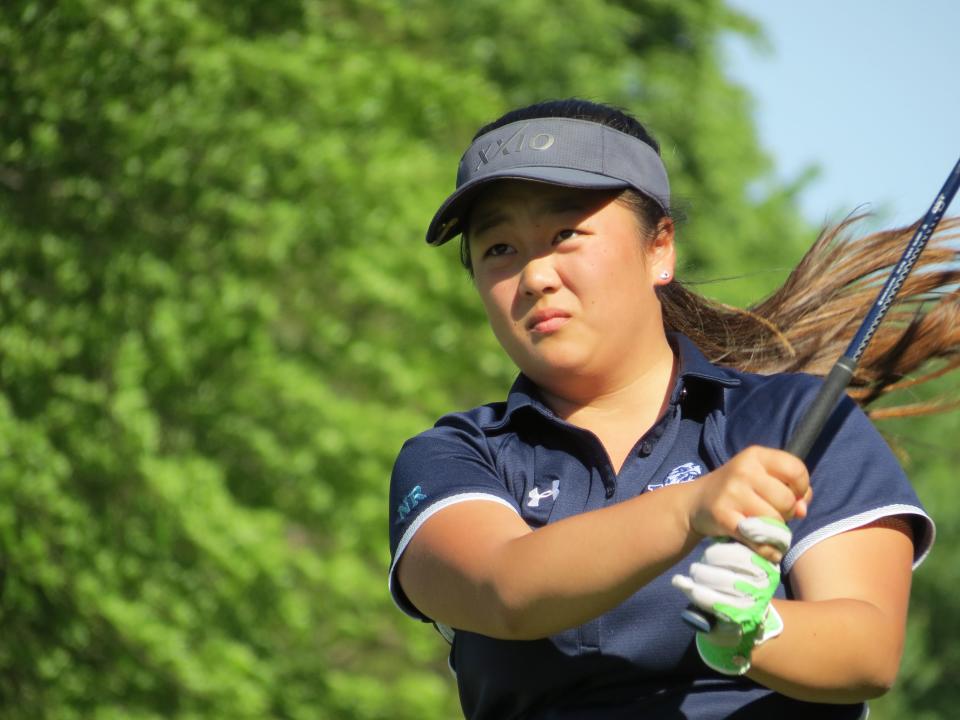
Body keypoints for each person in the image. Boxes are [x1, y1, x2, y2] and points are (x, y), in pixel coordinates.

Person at [387, 98, 945, 719]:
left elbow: (867, 653)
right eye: (498, 249)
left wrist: (756, 632)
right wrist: (692, 508)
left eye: (565, 234)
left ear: (660, 250)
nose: (535, 275)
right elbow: (503, 589)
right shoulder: (453, 457)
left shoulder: (794, 419)